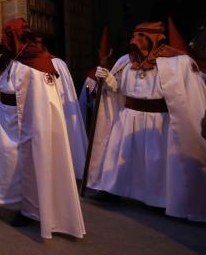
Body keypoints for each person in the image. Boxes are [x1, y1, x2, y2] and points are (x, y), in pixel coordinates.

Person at [0, 18, 85, 238]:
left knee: (22, 166)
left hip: (23, 122)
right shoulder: (7, 60)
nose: (3, 40)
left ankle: (28, 209)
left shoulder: (39, 63)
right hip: (3, 120)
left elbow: (44, 102)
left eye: (7, 35)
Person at [86, 21, 206, 221]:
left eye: (142, 36)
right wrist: (107, 79)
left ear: (155, 39)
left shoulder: (177, 62)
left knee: (154, 161)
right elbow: (119, 90)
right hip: (129, 116)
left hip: (158, 120)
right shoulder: (126, 61)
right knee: (121, 154)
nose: (136, 40)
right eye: (135, 35)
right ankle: (112, 189)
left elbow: (190, 94)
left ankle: (158, 199)